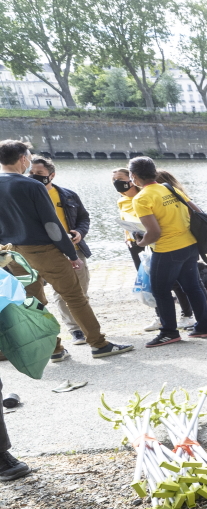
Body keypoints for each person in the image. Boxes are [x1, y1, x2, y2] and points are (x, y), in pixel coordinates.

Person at [0, 140, 133, 360]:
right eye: (30, 158)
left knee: (32, 301)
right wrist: (72, 255)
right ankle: (99, 345)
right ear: (23, 159)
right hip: (43, 250)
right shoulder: (32, 185)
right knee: (74, 297)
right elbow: (52, 225)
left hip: (13, 252)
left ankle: (54, 349)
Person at [129, 156, 207, 347]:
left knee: (160, 290)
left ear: (133, 176)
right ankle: (203, 327)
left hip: (168, 249)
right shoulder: (168, 187)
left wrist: (141, 243)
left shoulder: (141, 198)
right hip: (189, 244)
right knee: (193, 287)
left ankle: (169, 332)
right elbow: (197, 210)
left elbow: (154, 233)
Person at [113, 168, 196, 331]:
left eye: (120, 179)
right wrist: (127, 236)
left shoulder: (143, 196)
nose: (117, 183)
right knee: (150, 283)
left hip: (154, 242)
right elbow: (126, 220)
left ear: (131, 179)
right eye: (114, 180)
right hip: (136, 244)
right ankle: (160, 317)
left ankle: (187, 315)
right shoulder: (121, 201)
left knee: (173, 282)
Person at [29, 156, 92, 346]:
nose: (33, 176)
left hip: (74, 249)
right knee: (61, 292)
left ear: (51, 175)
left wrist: (80, 232)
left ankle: (87, 327)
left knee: (81, 290)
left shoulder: (68, 195)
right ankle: (75, 330)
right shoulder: (27, 196)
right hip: (47, 253)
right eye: (31, 173)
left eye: (39, 173)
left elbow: (84, 218)